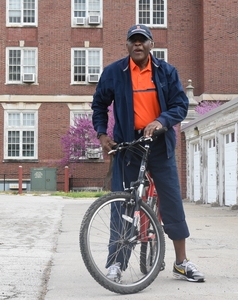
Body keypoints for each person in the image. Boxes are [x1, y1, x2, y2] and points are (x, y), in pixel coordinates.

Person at [92, 24, 205, 283]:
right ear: (128, 45)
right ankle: (117, 265)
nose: (138, 45)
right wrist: (102, 135)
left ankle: (181, 262)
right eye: (133, 40)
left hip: (160, 146)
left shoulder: (166, 72)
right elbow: (99, 105)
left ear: (151, 44)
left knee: (172, 201)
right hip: (128, 147)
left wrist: (161, 121)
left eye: (143, 40)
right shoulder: (114, 73)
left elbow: (180, 104)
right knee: (122, 205)